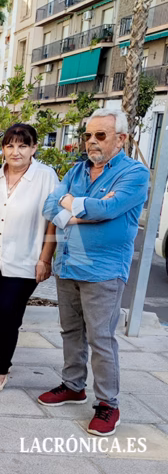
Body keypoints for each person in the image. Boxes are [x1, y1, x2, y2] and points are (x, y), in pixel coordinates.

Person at [39, 109, 149, 436]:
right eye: (88, 135)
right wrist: (79, 210)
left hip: (103, 269)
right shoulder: (76, 171)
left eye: (100, 135)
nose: (91, 142)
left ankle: (107, 404)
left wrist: (72, 205)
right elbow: (49, 206)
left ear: (122, 139)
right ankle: (73, 385)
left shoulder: (135, 173)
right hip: (69, 262)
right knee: (70, 331)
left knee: (100, 337)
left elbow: (108, 209)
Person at [0, 124, 58, 393]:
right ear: (3, 148)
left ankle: (0, 371)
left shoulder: (46, 177)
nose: (15, 152)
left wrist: (45, 258)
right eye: (10, 146)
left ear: (34, 148)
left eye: (22, 146)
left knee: (8, 313)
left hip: (24, 260)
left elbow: (52, 221)